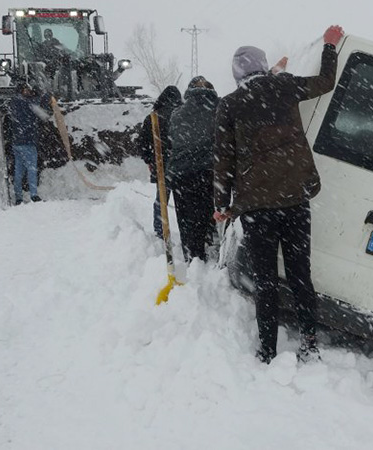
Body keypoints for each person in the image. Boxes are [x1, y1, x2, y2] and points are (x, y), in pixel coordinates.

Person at [213, 25, 344, 364]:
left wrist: (221, 204)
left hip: (257, 209)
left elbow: (223, 159)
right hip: (294, 201)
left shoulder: (230, 105)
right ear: (264, 65)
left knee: (265, 282)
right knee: (301, 276)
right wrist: (329, 47)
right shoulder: (284, 87)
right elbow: (326, 82)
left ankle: (268, 350)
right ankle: (310, 342)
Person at [168, 76, 219, 262]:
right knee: (206, 211)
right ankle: (206, 243)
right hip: (209, 171)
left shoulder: (177, 113)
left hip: (181, 173)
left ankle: (190, 252)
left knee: (185, 215)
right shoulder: (219, 109)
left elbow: (172, 139)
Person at [138, 85, 183, 238]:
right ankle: (187, 230)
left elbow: (142, 144)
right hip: (181, 165)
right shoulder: (182, 115)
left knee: (161, 198)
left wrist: (149, 160)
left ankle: (160, 230)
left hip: (161, 164)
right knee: (184, 201)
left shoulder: (152, 117)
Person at [8, 83, 44, 205]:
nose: (29, 91)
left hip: (17, 141)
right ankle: (34, 195)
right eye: (26, 89)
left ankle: (18, 197)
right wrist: (40, 94)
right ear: (21, 91)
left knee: (19, 170)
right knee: (31, 168)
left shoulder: (14, 102)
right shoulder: (26, 103)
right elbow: (36, 106)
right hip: (27, 141)